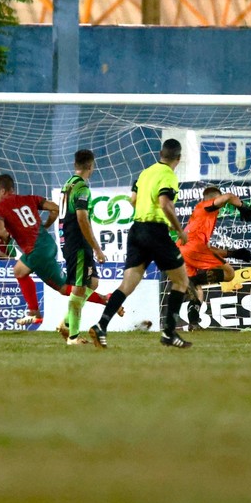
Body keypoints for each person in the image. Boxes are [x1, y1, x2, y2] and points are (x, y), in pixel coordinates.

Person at [89, 138, 193, 349]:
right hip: (154, 231)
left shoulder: (146, 173)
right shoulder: (168, 175)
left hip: (136, 231)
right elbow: (165, 203)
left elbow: (133, 200)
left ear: (160, 154)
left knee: (127, 284)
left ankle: (102, 325)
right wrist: (179, 230)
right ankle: (169, 333)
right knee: (181, 281)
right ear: (179, 159)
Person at [0, 173, 114, 327]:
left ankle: (105, 299)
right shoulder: (29, 198)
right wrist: (46, 224)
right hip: (47, 244)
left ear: (2, 191)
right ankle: (34, 312)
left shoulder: (0, 207)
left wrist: (8, 235)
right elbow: (56, 209)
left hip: (36, 251)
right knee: (19, 271)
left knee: (63, 288)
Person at [177, 185, 251, 329]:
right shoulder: (205, 206)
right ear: (214, 199)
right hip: (192, 248)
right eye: (220, 202)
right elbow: (229, 196)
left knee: (197, 290)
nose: (222, 206)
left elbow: (207, 250)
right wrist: (242, 206)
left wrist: (233, 253)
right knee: (229, 273)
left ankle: (193, 322)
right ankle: (192, 281)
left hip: (182, 251)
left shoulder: (201, 218)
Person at [56, 150, 108, 345]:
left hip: (71, 241)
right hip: (77, 243)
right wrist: (96, 247)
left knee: (92, 282)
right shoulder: (82, 189)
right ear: (91, 166)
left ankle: (66, 322)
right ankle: (73, 337)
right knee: (79, 288)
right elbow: (81, 217)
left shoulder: (68, 184)